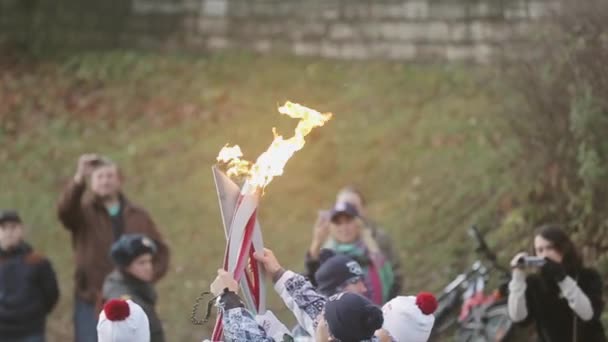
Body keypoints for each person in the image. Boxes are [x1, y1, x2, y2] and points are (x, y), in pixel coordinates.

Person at [57, 154, 169, 342]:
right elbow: (65, 212)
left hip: (131, 299)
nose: (105, 181)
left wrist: (148, 274)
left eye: (109, 176)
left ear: (119, 180)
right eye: (99, 177)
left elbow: (161, 251)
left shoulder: (138, 215)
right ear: (92, 183)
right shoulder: (82, 214)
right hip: (91, 298)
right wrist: (78, 179)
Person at [508, 225, 606, 342]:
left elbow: (588, 314)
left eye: (550, 248)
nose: (545, 255)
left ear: (564, 248)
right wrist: (517, 278)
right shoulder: (535, 283)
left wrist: (562, 279)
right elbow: (519, 318)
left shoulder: (587, 276)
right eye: (540, 250)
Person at [306, 201, 395, 304]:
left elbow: (388, 277)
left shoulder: (371, 246)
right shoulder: (327, 255)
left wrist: (368, 239)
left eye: (348, 221)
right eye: (338, 223)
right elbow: (313, 277)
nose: (344, 228)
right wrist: (317, 241)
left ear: (357, 222)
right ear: (331, 226)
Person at [0, 210, 60, 342]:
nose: (9, 232)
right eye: (3, 228)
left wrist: (36, 313)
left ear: (21, 230)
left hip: (31, 331)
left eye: (13, 227)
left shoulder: (38, 261)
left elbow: (51, 293)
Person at [336, 186, 403, 299]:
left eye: (353, 207)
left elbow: (396, 274)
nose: (347, 212)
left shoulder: (379, 238)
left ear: (363, 210)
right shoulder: (329, 247)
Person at [292, 249, 368, 339]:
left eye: (362, 280)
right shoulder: (304, 335)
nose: (364, 289)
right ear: (335, 291)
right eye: (355, 281)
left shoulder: (368, 320)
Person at [103, 234, 165, 342]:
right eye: (142, 263)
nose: (148, 267)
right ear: (126, 267)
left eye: (149, 261)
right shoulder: (122, 300)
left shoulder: (140, 285)